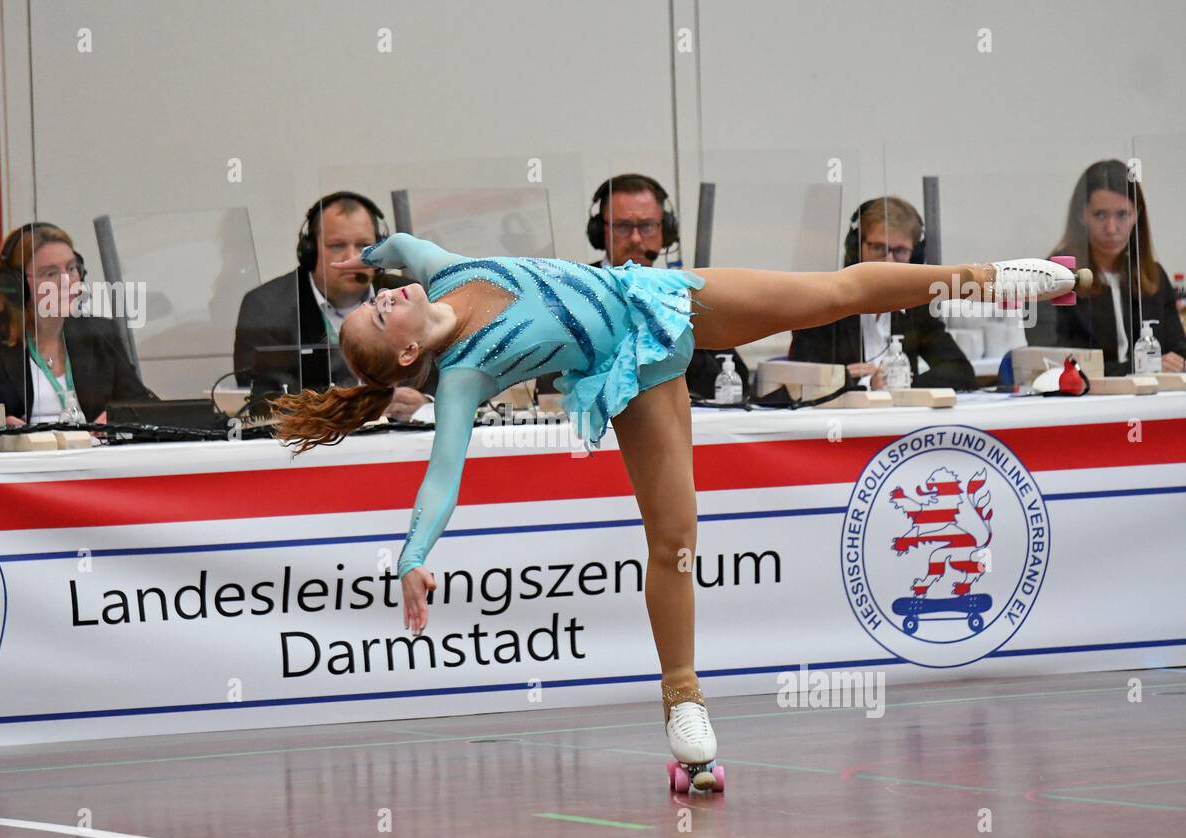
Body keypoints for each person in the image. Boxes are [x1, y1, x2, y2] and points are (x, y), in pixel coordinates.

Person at [271, 232, 1080, 789]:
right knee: (675, 537)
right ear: (407, 351)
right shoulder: (461, 379)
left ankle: (994, 276)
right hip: (634, 372)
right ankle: (683, 700)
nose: (392, 291)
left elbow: (392, 249)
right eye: (383, 308)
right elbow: (442, 477)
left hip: (660, 297)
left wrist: (361, 256)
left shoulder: (436, 271)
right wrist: (415, 556)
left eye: (379, 295)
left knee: (829, 294)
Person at [537, 174, 750, 402]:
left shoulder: (683, 292)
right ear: (600, 231)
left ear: (665, 231)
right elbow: (551, 383)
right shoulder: (574, 292)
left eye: (647, 226)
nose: (636, 239)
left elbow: (734, 380)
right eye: (622, 226)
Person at [233, 192, 437, 419]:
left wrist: (424, 403)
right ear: (309, 252)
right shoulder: (267, 306)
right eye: (337, 246)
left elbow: (444, 375)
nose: (353, 258)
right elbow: (263, 399)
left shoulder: (409, 295)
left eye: (364, 245)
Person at [0, 222, 156, 425]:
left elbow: (143, 408)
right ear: (16, 286)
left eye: (71, 269)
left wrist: (119, 418)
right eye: (50, 273)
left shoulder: (100, 334)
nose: (67, 281)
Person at [789, 197, 975, 390]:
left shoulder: (916, 309)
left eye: (900, 251)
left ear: (915, 257)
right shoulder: (825, 304)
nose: (888, 262)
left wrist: (899, 385)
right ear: (856, 249)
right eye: (878, 248)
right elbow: (796, 383)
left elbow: (961, 371)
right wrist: (862, 383)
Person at [1032, 159, 1186, 374]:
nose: (1112, 228)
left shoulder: (1153, 275)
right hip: (1083, 403)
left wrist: (1175, 364)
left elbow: (1179, 352)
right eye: (1100, 215)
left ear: (1137, 215)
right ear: (1082, 215)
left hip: (1150, 401)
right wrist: (1138, 368)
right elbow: (1051, 363)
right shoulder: (1051, 277)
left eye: (1123, 215)